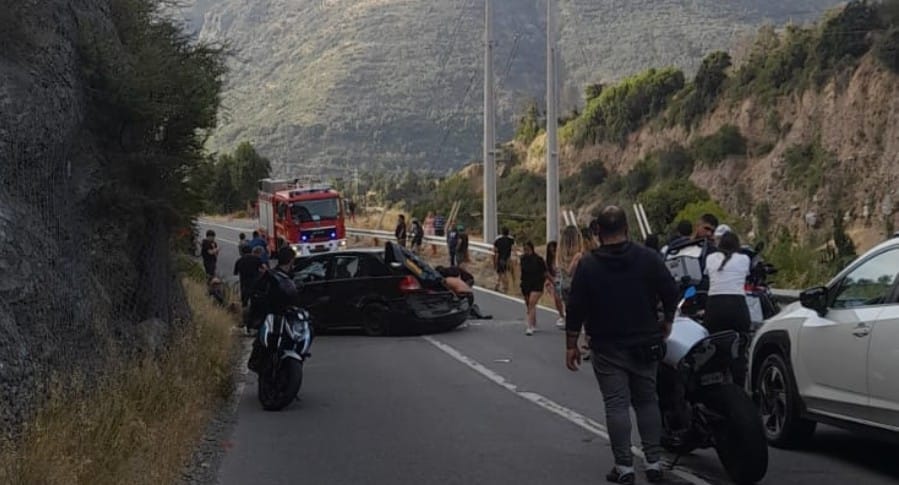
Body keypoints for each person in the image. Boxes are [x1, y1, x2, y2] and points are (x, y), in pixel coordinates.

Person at [564, 206, 677, 484]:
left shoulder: (588, 265)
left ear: (598, 232)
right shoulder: (649, 258)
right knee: (648, 401)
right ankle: (653, 463)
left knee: (616, 405)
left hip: (607, 346)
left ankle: (624, 468)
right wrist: (668, 321)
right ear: (627, 229)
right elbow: (671, 291)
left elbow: (576, 307)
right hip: (646, 343)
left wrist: (571, 344)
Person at [704, 228, 752, 386]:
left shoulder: (710, 258)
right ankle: (740, 385)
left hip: (715, 307)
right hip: (737, 306)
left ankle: (716, 384)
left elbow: (707, 275)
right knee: (740, 346)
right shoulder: (744, 259)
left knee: (715, 346)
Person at [247, 246, 302, 373]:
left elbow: (255, 293)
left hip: (283, 319)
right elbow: (257, 295)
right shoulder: (273, 277)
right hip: (272, 318)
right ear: (291, 261)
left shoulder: (283, 277)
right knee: (263, 343)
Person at [519, 241, 548, 336]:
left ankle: (529, 326)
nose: (525, 250)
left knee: (531, 303)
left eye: (527, 248)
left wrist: (550, 282)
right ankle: (533, 322)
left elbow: (545, 272)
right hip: (526, 284)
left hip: (537, 284)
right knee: (529, 305)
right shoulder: (522, 259)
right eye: (524, 249)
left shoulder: (539, 259)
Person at [544, 241, 566, 329]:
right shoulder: (548, 261)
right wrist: (551, 280)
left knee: (566, 299)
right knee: (557, 299)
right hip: (555, 281)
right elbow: (546, 272)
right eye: (551, 250)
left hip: (564, 279)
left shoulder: (562, 258)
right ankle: (562, 315)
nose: (553, 251)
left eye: (554, 249)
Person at [492, 227, 515, 292]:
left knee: (501, 272)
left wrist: (494, 260)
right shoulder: (511, 240)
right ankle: (498, 285)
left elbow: (495, 250)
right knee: (504, 272)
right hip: (507, 258)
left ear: (502, 232)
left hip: (500, 258)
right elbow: (514, 249)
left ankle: (504, 286)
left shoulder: (498, 240)